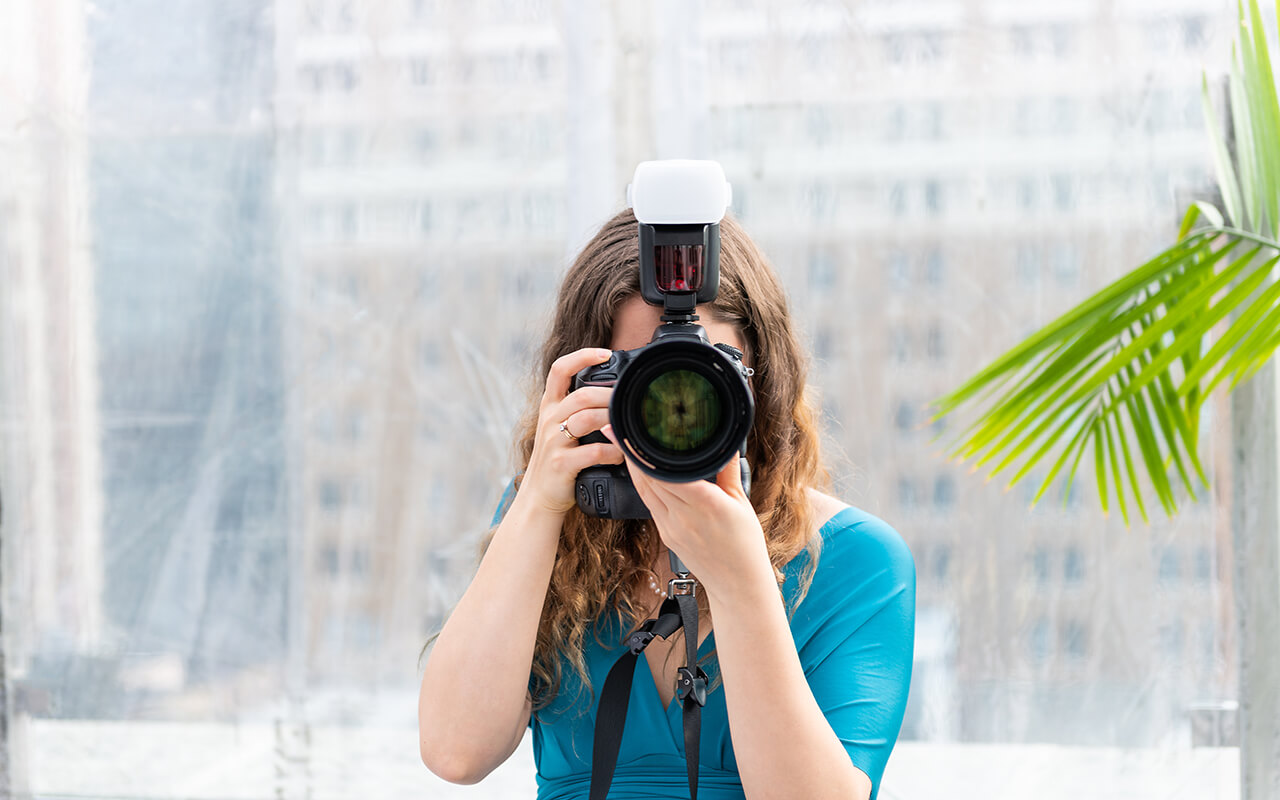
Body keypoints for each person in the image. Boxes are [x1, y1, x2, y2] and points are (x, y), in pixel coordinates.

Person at [418, 208, 916, 800]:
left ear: (759, 385)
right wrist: (538, 503)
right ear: (582, 385)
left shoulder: (856, 560)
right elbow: (455, 751)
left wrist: (739, 577)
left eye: (698, 377)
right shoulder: (547, 524)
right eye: (637, 379)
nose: (671, 409)